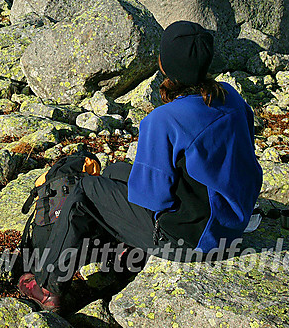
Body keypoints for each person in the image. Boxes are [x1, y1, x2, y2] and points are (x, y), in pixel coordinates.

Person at [18, 20, 263, 311]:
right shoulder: (229, 96)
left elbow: (153, 198)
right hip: (230, 222)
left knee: (85, 190)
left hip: (193, 241)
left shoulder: (164, 120)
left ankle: (48, 286)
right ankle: (124, 252)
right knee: (114, 171)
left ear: (164, 65)